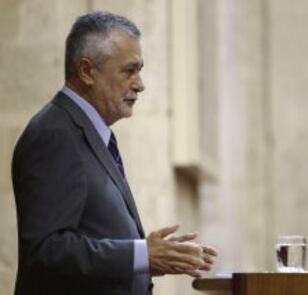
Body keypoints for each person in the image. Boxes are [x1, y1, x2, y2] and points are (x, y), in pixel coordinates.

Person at [11, 11, 217, 295]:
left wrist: (152, 257)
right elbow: (47, 252)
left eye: (140, 70)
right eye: (129, 71)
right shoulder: (55, 134)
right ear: (87, 71)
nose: (140, 84)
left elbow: (93, 241)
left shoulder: (91, 133)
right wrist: (142, 255)